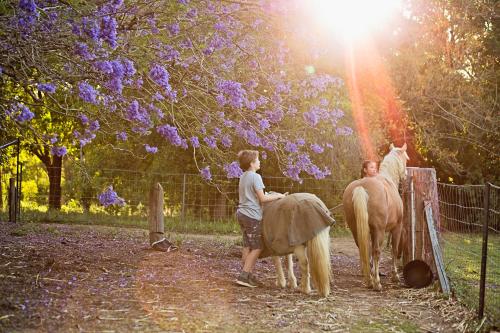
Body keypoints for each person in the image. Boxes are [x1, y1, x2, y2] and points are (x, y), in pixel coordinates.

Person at [235, 150, 285, 288]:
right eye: (257, 160)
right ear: (252, 163)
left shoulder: (243, 176)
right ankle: (244, 276)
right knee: (257, 247)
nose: (259, 162)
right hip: (252, 216)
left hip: (241, 213)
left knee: (247, 245)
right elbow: (263, 199)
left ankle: (248, 275)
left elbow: (253, 195)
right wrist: (280, 196)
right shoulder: (256, 177)